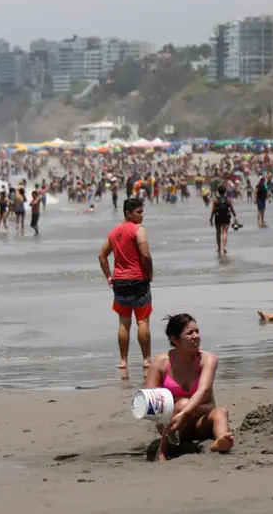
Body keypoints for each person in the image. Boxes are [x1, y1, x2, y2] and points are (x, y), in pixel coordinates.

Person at [144, 314, 233, 461]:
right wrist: (174, 413)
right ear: (175, 340)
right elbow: (150, 402)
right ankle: (163, 450)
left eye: (197, 331)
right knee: (181, 403)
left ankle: (222, 440)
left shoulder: (207, 359)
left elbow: (203, 390)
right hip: (172, 425)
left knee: (221, 412)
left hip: (198, 421)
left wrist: (186, 412)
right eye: (189, 333)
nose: (196, 336)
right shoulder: (161, 363)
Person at [98, 198, 153, 373]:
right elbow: (146, 255)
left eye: (142, 211)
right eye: (138, 212)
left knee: (124, 322)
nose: (142, 215)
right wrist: (149, 273)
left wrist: (109, 276)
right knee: (142, 321)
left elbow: (102, 255)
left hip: (120, 282)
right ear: (128, 213)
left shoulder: (114, 233)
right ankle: (146, 359)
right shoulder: (139, 231)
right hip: (138, 280)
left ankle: (123, 361)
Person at [209, 185, 236, 255]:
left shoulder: (215, 200)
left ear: (218, 191)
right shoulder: (228, 199)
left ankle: (218, 248)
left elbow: (213, 210)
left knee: (218, 233)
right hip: (226, 217)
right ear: (225, 192)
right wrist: (235, 216)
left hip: (218, 218)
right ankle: (223, 246)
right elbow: (232, 209)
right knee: (225, 232)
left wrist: (211, 218)